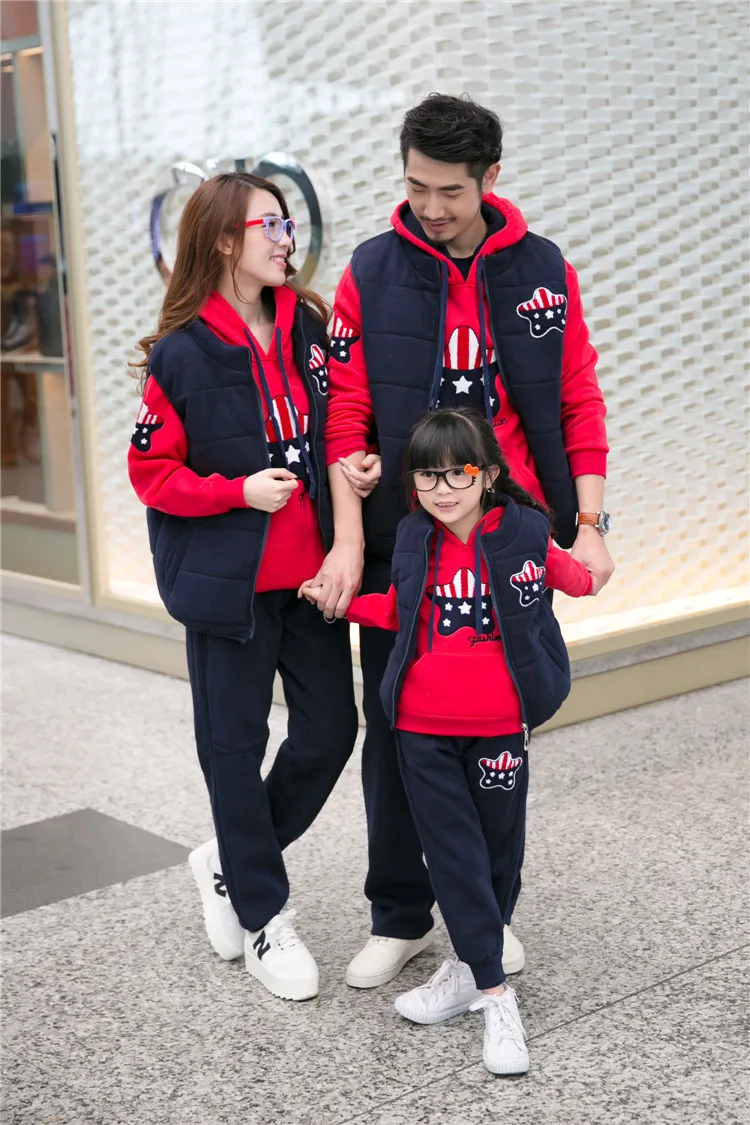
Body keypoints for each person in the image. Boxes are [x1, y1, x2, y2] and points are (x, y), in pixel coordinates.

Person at [311, 93, 614, 989]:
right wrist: (346, 540)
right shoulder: (373, 267)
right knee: (399, 730)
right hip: (406, 544)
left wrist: (589, 526)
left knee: (497, 740)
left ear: (491, 177)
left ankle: (486, 911)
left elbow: (578, 402)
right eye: (414, 186)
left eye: (448, 190)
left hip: (511, 538)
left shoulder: (542, 270)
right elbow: (348, 410)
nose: (429, 207)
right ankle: (401, 914)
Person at [302, 408, 593, 1074]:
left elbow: (576, 578)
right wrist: (342, 601)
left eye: (458, 471)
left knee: (498, 854)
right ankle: (496, 997)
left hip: (498, 727)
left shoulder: (523, 533)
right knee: (453, 851)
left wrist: (589, 555)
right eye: (428, 474)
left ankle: (467, 968)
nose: (442, 487)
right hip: (422, 728)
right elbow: (400, 611)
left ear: (488, 474)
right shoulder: (411, 538)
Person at [127, 172, 358, 1002]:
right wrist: (234, 490)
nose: (284, 237)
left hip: (310, 581)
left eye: (287, 222)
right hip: (228, 589)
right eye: (269, 223)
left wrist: (352, 472)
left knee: (331, 730)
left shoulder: (313, 329)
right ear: (226, 240)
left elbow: (344, 419)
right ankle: (263, 917)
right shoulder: (186, 351)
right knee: (233, 748)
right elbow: (149, 470)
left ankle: (227, 856)